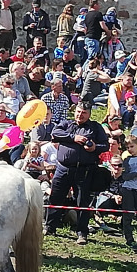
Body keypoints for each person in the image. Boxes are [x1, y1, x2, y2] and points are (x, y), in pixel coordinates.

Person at [46, 100, 109, 244]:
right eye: (78, 112)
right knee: (55, 198)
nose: (80, 115)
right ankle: (50, 227)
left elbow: (105, 145)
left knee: (82, 202)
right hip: (63, 168)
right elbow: (55, 134)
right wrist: (74, 138)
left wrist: (95, 148)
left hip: (85, 170)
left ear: (89, 114)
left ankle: (82, 232)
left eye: (84, 113)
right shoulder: (66, 124)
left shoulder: (95, 127)